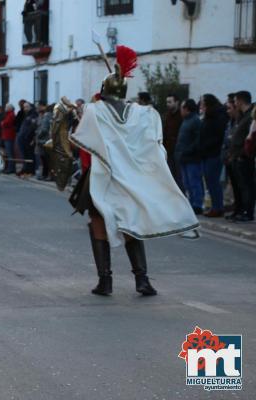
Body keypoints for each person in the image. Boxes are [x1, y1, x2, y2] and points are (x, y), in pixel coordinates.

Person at [69, 45, 198, 297]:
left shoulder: (95, 110)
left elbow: (82, 134)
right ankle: (142, 280)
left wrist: (79, 112)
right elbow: (151, 144)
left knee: (97, 223)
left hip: (103, 177)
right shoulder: (144, 113)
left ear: (104, 91)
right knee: (131, 224)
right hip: (132, 178)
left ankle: (105, 281)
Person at [226, 91, 254, 222]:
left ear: (241, 101)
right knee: (238, 186)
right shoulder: (242, 116)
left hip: (243, 157)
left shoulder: (250, 117)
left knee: (246, 186)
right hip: (235, 156)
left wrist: (242, 154)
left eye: (235, 101)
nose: (234, 104)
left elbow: (249, 137)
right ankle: (239, 210)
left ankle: (248, 212)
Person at [199, 94, 227, 217]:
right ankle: (215, 206)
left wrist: (206, 145)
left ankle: (217, 207)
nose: (201, 106)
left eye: (203, 104)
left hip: (213, 154)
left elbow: (218, 136)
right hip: (206, 153)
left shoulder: (218, 116)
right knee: (210, 182)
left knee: (213, 182)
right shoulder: (208, 116)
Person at [176, 99, 204, 214]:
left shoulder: (195, 121)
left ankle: (197, 204)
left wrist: (187, 151)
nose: (180, 111)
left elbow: (198, 140)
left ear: (187, 109)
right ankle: (191, 203)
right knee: (187, 183)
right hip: (183, 158)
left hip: (191, 158)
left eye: (182, 108)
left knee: (194, 182)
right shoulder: (186, 121)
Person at [163, 94, 184, 191]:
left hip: (179, 150)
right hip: (169, 150)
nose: (168, 104)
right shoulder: (168, 115)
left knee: (180, 177)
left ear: (176, 102)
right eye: (167, 102)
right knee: (171, 176)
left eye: (170, 102)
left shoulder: (181, 115)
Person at [17, 102, 37, 177]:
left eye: (26, 107)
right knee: (25, 155)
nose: (25, 109)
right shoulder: (26, 115)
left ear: (30, 107)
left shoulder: (33, 115)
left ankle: (31, 170)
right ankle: (25, 169)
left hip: (29, 139)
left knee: (30, 155)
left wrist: (31, 138)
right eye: (24, 107)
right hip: (23, 138)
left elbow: (33, 128)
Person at [34, 101, 52, 180]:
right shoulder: (41, 116)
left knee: (46, 158)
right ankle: (44, 174)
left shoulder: (47, 116)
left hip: (44, 140)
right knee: (44, 158)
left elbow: (44, 129)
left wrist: (38, 136)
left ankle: (47, 175)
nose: (38, 108)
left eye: (39, 106)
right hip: (43, 140)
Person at [0, 104, 17, 174]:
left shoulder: (11, 115)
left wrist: (3, 123)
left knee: (10, 153)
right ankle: (8, 167)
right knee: (7, 153)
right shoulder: (8, 115)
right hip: (6, 136)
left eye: (7, 107)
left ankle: (11, 168)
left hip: (9, 136)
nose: (5, 108)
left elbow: (5, 123)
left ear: (10, 108)